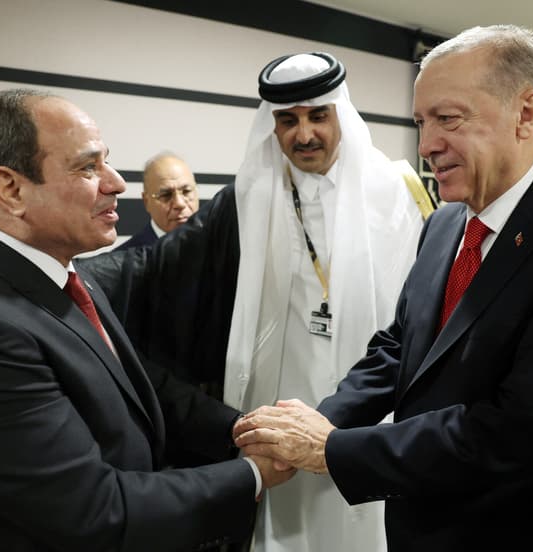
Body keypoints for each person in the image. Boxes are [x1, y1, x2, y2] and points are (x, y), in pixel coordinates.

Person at [233, 25, 533, 551]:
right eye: (421, 122)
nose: (427, 146)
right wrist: (320, 421)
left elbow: (522, 431)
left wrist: (332, 449)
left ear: (527, 113)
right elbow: (401, 347)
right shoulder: (445, 223)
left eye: (449, 119)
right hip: (420, 524)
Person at [0, 89, 292, 552]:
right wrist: (252, 474)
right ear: (11, 190)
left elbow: (132, 386)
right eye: (87, 167)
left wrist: (242, 430)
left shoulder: (62, 275)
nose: (116, 183)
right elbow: (96, 512)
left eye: (107, 162)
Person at [81, 52, 426, 551]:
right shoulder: (248, 198)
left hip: (371, 403)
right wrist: (55, 271)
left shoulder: (398, 192)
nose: (304, 134)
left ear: (340, 113)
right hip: (279, 402)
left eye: (317, 116)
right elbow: (153, 268)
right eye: (288, 121)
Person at [114, 152, 199, 249]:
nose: (179, 203)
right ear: (146, 201)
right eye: (166, 195)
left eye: (186, 191)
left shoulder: (213, 246)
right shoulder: (125, 256)